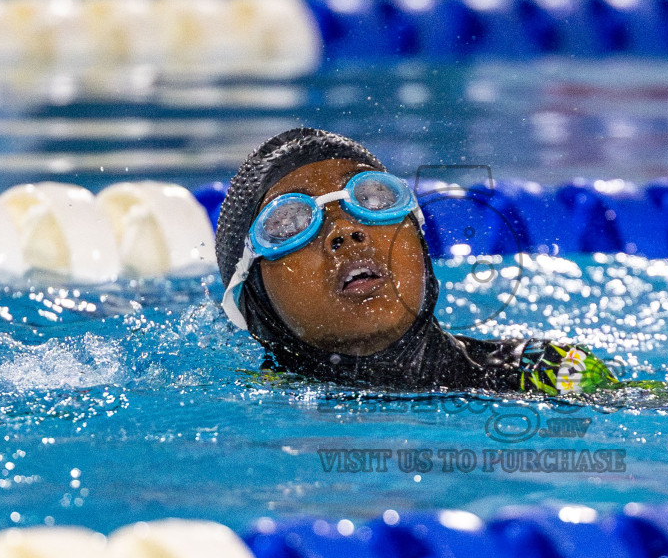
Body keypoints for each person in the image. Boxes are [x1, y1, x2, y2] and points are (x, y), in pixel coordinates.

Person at [216, 127, 616, 394]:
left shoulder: (545, 373)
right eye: (289, 224)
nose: (344, 230)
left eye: (372, 199)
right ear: (252, 298)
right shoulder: (232, 412)